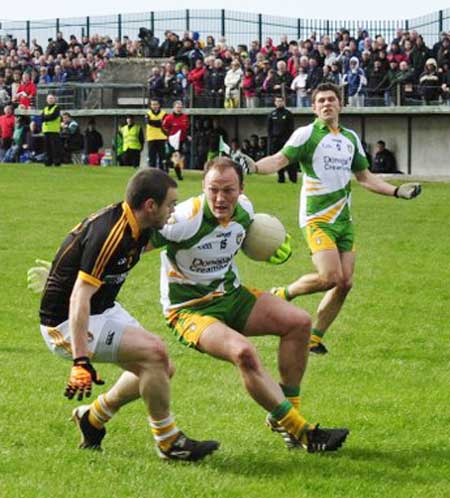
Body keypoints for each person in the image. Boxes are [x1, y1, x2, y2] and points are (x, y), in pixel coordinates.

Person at [148, 156, 349, 453]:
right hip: (190, 308)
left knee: (299, 323)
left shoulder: (246, 212)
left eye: (228, 190)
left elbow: (241, 239)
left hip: (231, 295)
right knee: (243, 352)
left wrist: (274, 247)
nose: (220, 198)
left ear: (242, 189)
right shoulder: (182, 220)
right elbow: (135, 243)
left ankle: (285, 417)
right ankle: (302, 431)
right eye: (213, 189)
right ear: (203, 187)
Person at [29, 169, 219, 460]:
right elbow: (79, 295)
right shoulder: (111, 232)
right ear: (150, 205)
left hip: (101, 309)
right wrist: (80, 362)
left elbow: (167, 239)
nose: (172, 211)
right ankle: (169, 442)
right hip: (65, 323)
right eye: (170, 204)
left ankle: (93, 418)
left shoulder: (140, 224)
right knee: (154, 353)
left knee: (161, 368)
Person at [243, 83, 421, 354]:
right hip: (317, 218)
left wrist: (397, 191)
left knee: (345, 282)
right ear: (314, 107)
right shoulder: (306, 134)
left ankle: (314, 338)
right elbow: (279, 160)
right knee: (330, 276)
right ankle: (282, 294)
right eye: (321, 101)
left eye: (331, 100)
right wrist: (255, 166)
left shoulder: (350, 138)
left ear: (340, 105)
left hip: (344, 221)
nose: (326, 104)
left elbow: (365, 178)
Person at [267, 96, 296, 184]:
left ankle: (293, 178)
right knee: (278, 160)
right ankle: (281, 178)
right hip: (276, 141)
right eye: (277, 101)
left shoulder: (288, 114)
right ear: (275, 103)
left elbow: (291, 128)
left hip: (286, 140)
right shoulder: (272, 114)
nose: (279, 103)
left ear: (284, 102)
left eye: (281, 101)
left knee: (289, 159)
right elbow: (269, 129)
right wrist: (271, 139)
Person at [41, 94, 63, 167]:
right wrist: (47, 117)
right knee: (47, 148)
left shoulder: (57, 108)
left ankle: (57, 162)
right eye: (49, 99)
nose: (50, 100)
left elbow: (53, 117)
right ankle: (48, 162)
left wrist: (46, 117)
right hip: (46, 130)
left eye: (52, 98)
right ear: (47, 100)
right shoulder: (45, 108)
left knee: (55, 148)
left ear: (54, 100)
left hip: (54, 130)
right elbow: (41, 117)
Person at [145, 99, 167, 170]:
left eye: (156, 104)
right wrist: (158, 122)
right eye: (153, 104)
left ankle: (162, 172)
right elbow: (148, 122)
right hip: (151, 138)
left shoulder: (164, 113)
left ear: (159, 105)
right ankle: (152, 172)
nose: (154, 106)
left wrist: (153, 122)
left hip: (161, 137)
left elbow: (163, 123)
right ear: (151, 105)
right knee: (152, 157)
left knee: (162, 157)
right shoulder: (148, 113)